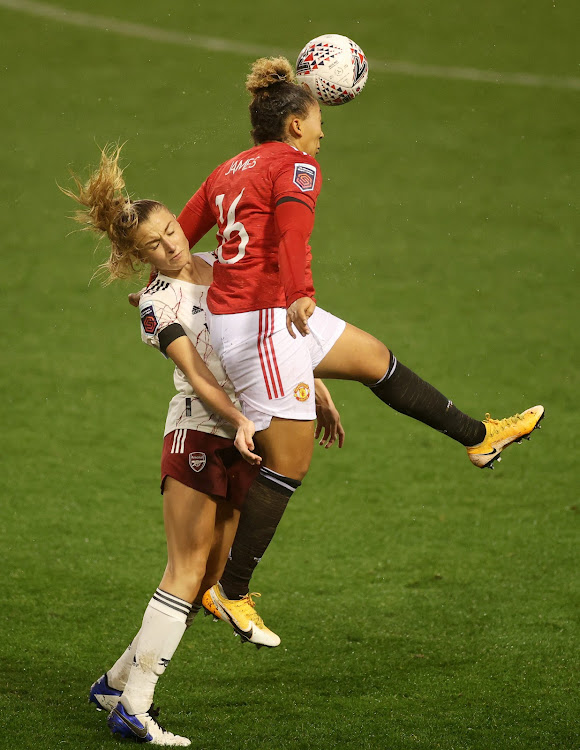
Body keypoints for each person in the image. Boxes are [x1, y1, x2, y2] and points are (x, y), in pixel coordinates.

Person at [172, 56, 544, 641]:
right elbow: (295, 234)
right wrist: (300, 293)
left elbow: (179, 235)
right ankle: (231, 591)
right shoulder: (296, 167)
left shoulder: (226, 170)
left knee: (374, 358)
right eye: (318, 117)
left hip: (262, 313)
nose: (323, 129)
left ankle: (479, 437)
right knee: (290, 462)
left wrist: (152, 275)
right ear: (295, 124)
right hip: (264, 322)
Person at [62, 145, 342, 745]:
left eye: (170, 231)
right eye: (154, 247)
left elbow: (267, 332)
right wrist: (241, 419)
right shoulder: (158, 306)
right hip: (198, 430)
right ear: (137, 259)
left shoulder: (221, 261)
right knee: (187, 569)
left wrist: (312, 385)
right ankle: (135, 706)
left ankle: (114, 681)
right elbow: (199, 375)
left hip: (243, 433)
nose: (170, 247)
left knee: (212, 570)